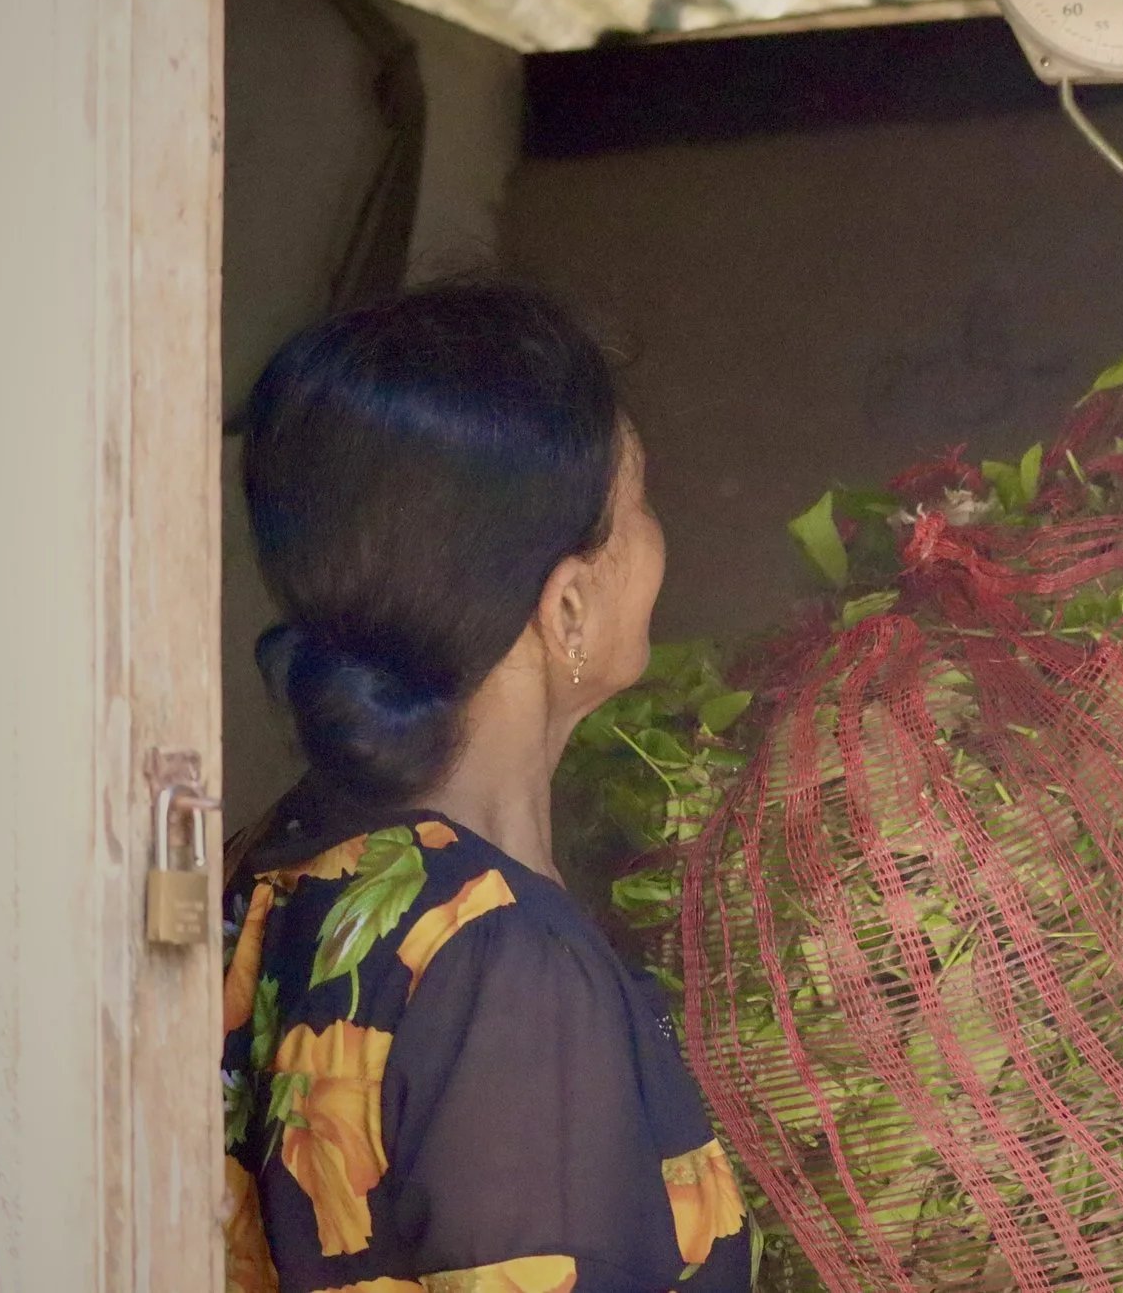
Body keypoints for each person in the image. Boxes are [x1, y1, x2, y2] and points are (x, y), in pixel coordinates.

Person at [217, 282, 752, 1293]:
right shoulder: (505, 964)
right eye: (637, 506)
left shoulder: (270, 869)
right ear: (569, 605)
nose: (656, 540)